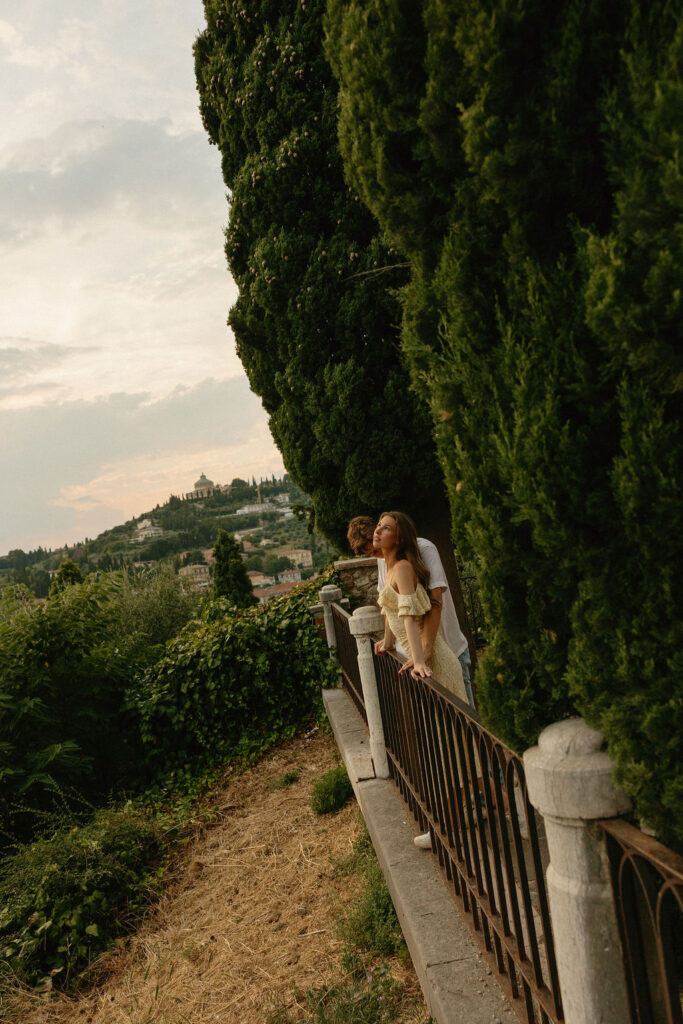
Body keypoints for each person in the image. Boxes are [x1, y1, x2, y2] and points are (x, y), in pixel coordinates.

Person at [346, 515, 475, 706]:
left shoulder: (423, 549)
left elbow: (435, 600)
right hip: (417, 656)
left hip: (445, 647)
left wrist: (423, 654)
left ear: (398, 537)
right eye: (369, 552)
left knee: (465, 722)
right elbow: (390, 605)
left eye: (385, 528)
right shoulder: (386, 561)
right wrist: (389, 641)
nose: (374, 552)